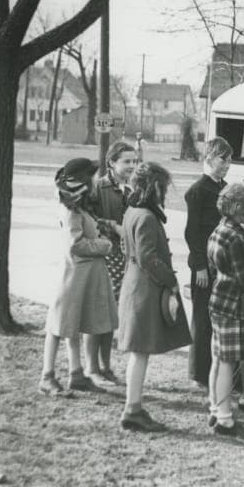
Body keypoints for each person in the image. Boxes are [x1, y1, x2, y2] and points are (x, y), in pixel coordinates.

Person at [117, 162, 192, 432]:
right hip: (145, 288)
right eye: (162, 187)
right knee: (140, 352)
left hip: (135, 283)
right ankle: (132, 409)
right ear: (153, 187)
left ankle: (133, 406)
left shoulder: (132, 212)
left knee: (139, 352)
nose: (165, 193)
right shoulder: (147, 217)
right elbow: (148, 257)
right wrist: (171, 281)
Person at [40, 158, 118, 396]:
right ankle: (47, 376)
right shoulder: (71, 211)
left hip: (82, 278)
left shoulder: (78, 207)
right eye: (92, 177)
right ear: (82, 182)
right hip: (73, 278)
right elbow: (76, 245)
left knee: (72, 326)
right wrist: (104, 245)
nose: (96, 181)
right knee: (59, 325)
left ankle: (76, 374)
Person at [83, 139, 138, 386]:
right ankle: (90, 368)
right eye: (126, 161)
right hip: (104, 255)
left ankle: (105, 366)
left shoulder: (132, 189)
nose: (131, 166)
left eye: (134, 161)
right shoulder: (99, 188)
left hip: (123, 257)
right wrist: (112, 226)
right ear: (112, 162)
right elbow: (88, 218)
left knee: (112, 314)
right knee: (98, 312)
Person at [206, 182, 244, 436]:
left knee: (217, 359)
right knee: (227, 362)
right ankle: (225, 417)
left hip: (218, 299)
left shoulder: (219, 230)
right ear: (236, 207)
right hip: (234, 304)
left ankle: (215, 408)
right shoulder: (237, 237)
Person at [184, 137, 233, 391]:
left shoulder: (223, 187)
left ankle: (217, 368)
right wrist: (200, 266)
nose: (227, 164)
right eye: (223, 159)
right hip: (204, 265)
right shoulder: (198, 190)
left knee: (218, 319)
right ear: (209, 158)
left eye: (229, 160)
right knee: (202, 319)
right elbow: (192, 233)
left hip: (220, 263)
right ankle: (198, 372)